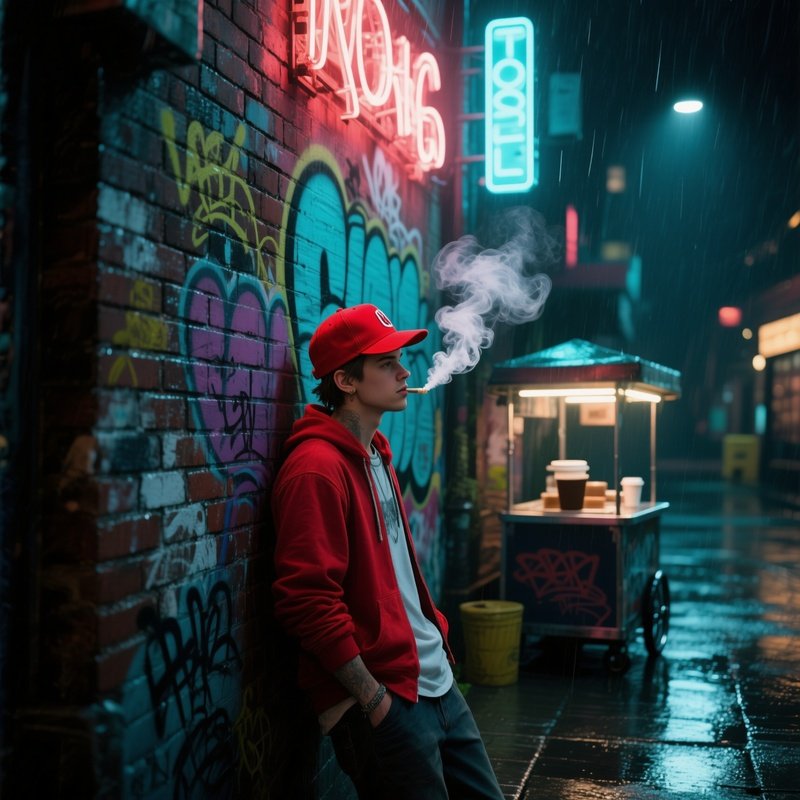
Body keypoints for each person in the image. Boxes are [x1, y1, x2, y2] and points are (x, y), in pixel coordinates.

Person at [272, 304, 504, 800]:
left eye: (401, 359)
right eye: (386, 363)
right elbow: (306, 600)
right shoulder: (316, 468)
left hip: (435, 681)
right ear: (346, 380)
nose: (405, 372)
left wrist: (436, 639)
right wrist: (372, 698)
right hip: (385, 700)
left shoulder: (377, 454)